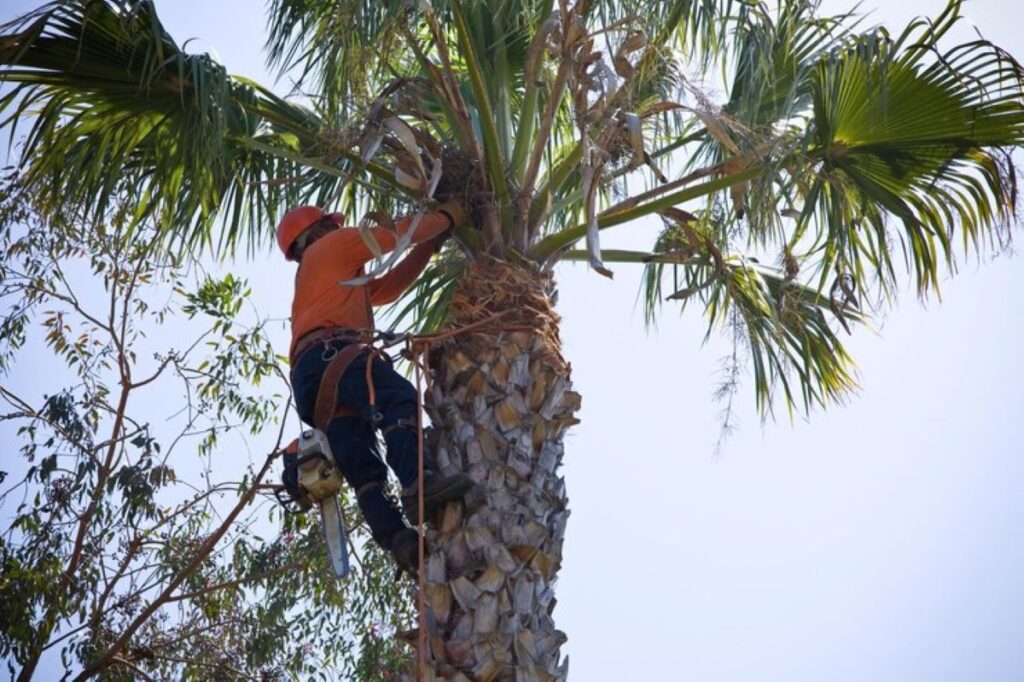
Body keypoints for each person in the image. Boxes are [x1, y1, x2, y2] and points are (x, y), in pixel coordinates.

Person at [280, 202, 474, 574]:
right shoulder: (332, 247)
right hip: (332, 354)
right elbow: (392, 235)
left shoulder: (324, 274)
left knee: (364, 465)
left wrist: (430, 245)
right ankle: (419, 483)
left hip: (312, 380)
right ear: (318, 231)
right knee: (397, 399)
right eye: (331, 225)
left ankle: (398, 539)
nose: (339, 228)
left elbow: (388, 288)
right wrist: (450, 216)